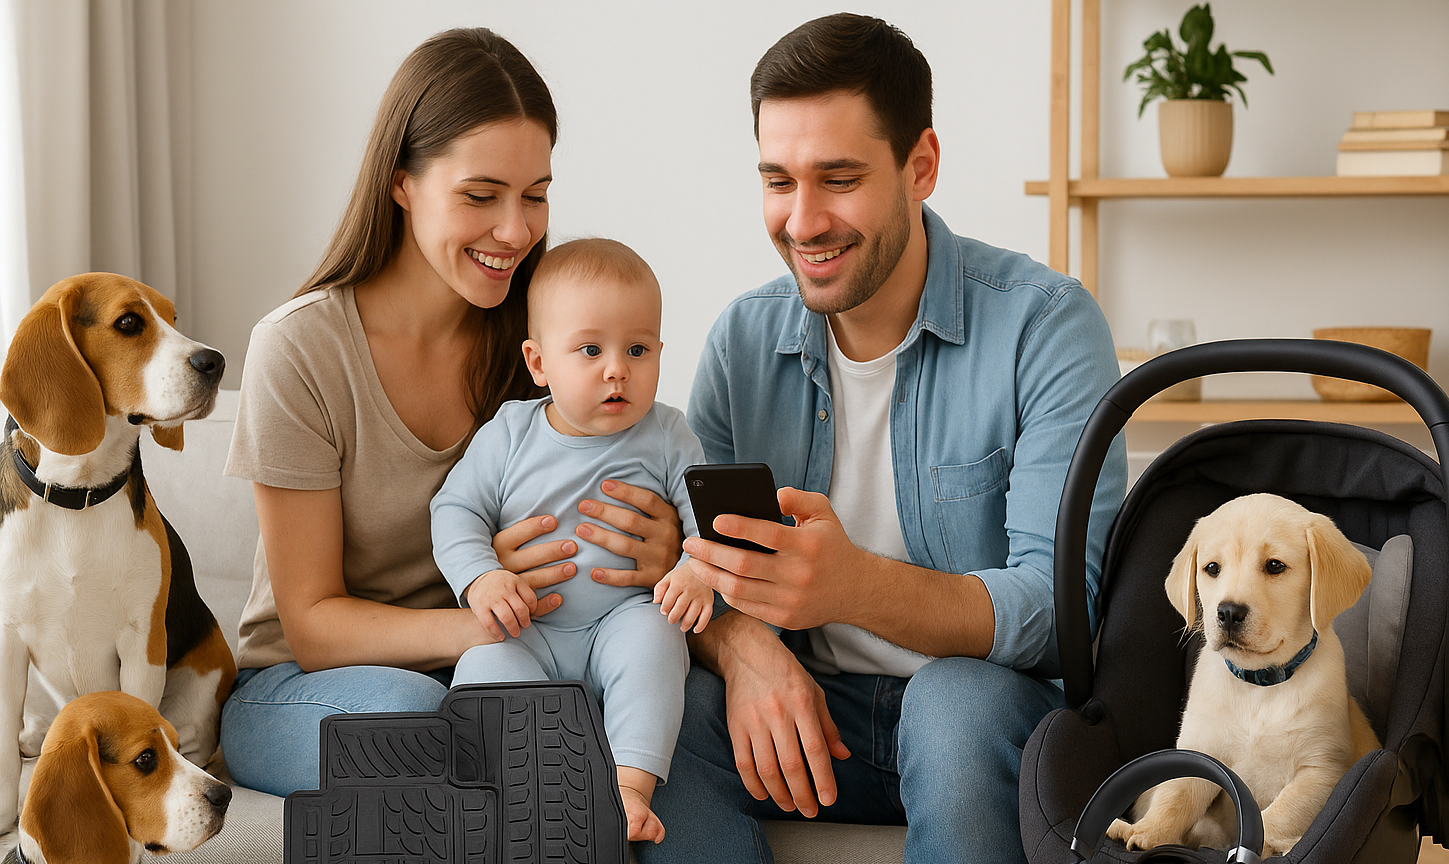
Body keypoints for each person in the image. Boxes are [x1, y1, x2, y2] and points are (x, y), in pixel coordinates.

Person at [641, 14, 1127, 864]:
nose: (803, 220)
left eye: (838, 178)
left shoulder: (1046, 326)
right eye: (778, 181)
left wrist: (853, 587)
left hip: (982, 713)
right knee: (647, 718)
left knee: (951, 706)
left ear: (921, 166)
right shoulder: (741, 341)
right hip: (806, 708)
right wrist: (745, 645)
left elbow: (1062, 612)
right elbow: (692, 568)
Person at [220, 29, 683, 798]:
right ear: (401, 182)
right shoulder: (300, 350)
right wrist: (484, 624)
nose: (516, 230)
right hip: (307, 685)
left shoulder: (543, 341)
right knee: (431, 722)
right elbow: (311, 621)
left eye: (535, 195)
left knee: (665, 705)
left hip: (510, 658)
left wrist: (660, 552)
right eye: (480, 196)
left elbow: (631, 456)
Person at [432, 238, 714, 842]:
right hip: (528, 630)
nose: (618, 369)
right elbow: (455, 510)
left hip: (620, 620)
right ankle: (525, 795)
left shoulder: (667, 433)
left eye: (638, 350)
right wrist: (481, 576)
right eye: (591, 350)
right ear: (538, 363)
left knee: (657, 637)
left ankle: (627, 791)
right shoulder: (509, 432)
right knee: (482, 669)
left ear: (662, 353)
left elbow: (706, 519)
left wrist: (696, 569)